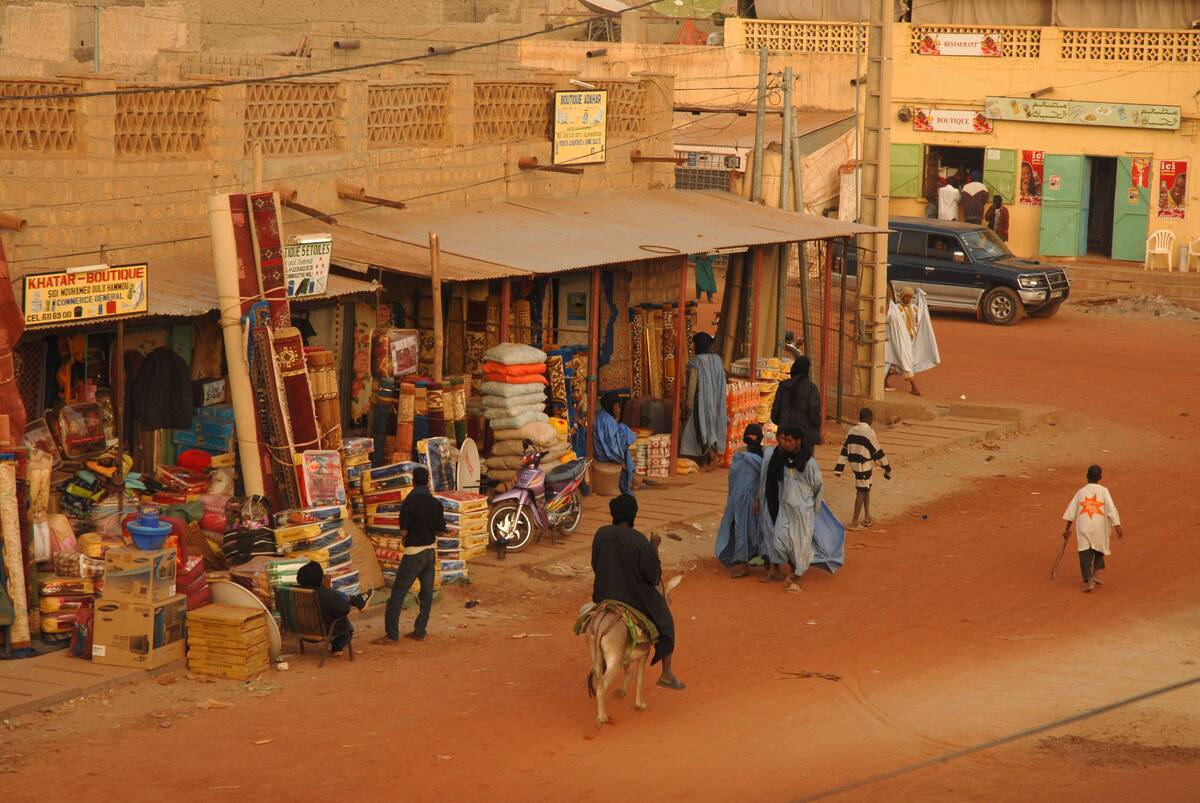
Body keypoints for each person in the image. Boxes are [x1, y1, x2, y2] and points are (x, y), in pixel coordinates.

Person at [591, 494, 684, 690]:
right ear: (633, 515)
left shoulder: (601, 534)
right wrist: (654, 548)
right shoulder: (639, 541)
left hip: (604, 592)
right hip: (633, 596)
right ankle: (666, 673)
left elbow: (595, 564)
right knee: (666, 621)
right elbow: (653, 576)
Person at [374, 466, 444, 644]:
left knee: (397, 594)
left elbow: (404, 531)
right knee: (427, 594)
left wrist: (407, 539)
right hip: (430, 551)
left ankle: (392, 635)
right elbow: (441, 530)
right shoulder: (435, 503)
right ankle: (420, 631)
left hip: (414, 553)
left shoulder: (409, 502)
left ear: (413, 481)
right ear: (428, 481)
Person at [757, 426, 824, 593]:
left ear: (798, 441)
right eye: (783, 439)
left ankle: (798, 579)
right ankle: (786, 570)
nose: (785, 443)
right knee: (780, 540)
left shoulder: (809, 463)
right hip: (786, 508)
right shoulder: (782, 460)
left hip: (803, 511)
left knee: (801, 544)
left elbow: (818, 486)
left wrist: (811, 508)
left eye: (789, 440)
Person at [1061, 465, 1124, 593]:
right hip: (1100, 526)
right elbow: (1111, 508)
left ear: (1087, 476)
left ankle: (1090, 578)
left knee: (1085, 552)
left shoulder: (1081, 492)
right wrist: (1117, 525)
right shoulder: (1104, 491)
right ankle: (1094, 576)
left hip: (1084, 525)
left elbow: (1071, 512)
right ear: (1100, 477)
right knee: (1100, 550)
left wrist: (1067, 530)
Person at [714, 423, 765, 578]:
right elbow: (733, 479)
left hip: (755, 501)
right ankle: (742, 562)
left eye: (753, 435)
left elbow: (763, 481)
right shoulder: (739, 455)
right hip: (738, 500)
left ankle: (765, 561)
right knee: (740, 531)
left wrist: (758, 499)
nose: (751, 438)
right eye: (749, 434)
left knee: (755, 531)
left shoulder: (762, 457)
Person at [296, 561, 373, 653]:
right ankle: (338, 645)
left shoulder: (291, 593)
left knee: (333, 601)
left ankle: (357, 601)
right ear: (320, 579)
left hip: (300, 631)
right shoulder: (324, 596)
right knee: (340, 614)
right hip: (323, 632)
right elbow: (345, 610)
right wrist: (328, 592)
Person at [833, 408, 891, 530]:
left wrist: (839, 467)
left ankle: (867, 517)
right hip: (863, 464)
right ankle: (854, 522)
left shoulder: (851, 431)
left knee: (866, 487)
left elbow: (845, 449)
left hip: (855, 464)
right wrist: (886, 466)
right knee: (861, 491)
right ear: (869, 419)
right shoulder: (869, 432)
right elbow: (877, 451)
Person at [680, 332, 728, 469]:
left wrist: (688, 404)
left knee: (701, 428)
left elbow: (692, 385)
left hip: (701, 402)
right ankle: (705, 460)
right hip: (717, 400)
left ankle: (712, 457)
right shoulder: (717, 360)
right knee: (710, 427)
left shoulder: (695, 362)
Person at [885, 286, 940, 396]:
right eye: (906, 296)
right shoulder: (896, 309)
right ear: (902, 297)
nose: (908, 299)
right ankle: (914, 387)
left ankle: (884, 381)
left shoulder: (914, 308)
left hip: (911, 341)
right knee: (906, 362)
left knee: (896, 361)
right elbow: (890, 319)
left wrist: (922, 298)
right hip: (900, 340)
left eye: (910, 297)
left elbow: (921, 315)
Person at [772, 355, 823, 447]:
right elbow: (814, 414)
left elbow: (775, 415)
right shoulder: (812, 388)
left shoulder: (783, 387)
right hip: (804, 437)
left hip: (785, 436)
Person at [593, 391, 637, 494]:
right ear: (610, 405)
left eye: (618, 405)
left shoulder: (601, 414)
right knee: (624, 430)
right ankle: (630, 482)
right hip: (604, 454)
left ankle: (632, 479)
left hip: (602, 450)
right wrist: (620, 458)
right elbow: (611, 445)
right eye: (616, 405)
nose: (618, 408)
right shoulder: (608, 420)